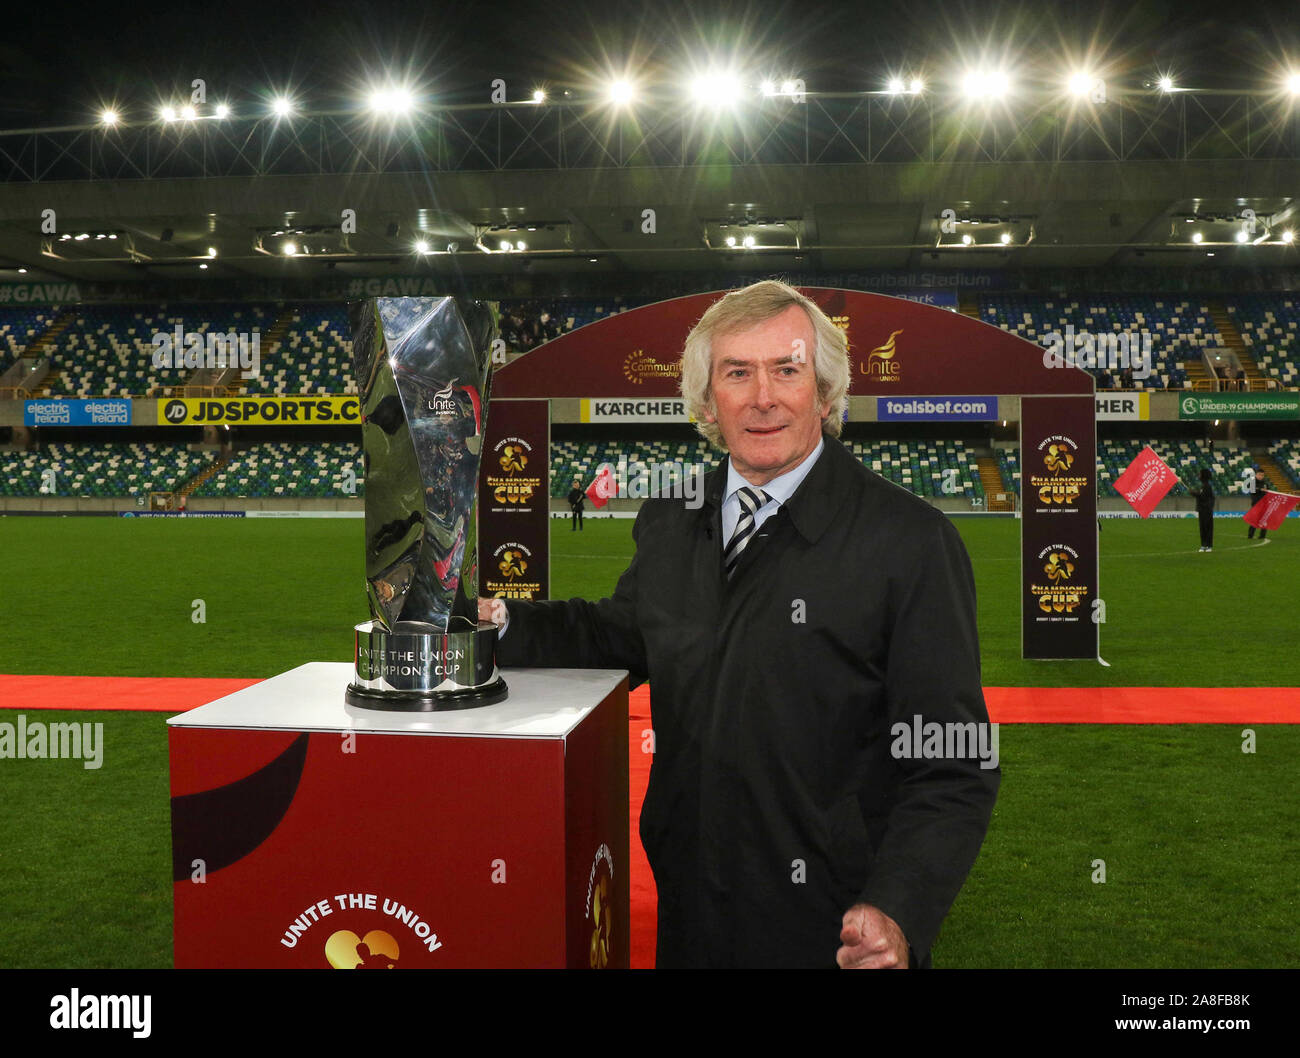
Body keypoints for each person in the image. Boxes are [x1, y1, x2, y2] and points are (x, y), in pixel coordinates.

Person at [479, 280, 999, 968]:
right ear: (706, 398)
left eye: (786, 370)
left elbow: (952, 759)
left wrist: (898, 906)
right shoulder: (672, 518)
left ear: (824, 391)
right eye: (737, 373)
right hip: (693, 902)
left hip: (833, 928)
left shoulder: (910, 540)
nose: (763, 397)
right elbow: (626, 633)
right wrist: (500, 623)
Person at [1191, 467, 1215, 551]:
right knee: (1202, 528)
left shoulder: (1207, 486)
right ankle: (1203, 545)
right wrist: (1194, 493)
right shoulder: (1203, 485)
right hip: (1202, 510)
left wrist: (1194, 493)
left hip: (1207, 510)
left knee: (1207, 528)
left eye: (1200, 474)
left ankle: (1209, 545)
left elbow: (1203, 496)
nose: (1199, 475)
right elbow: (1201, 495)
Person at [1247, 472, 1269, 542]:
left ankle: (1262, 535)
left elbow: (1268, 491)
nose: (1261, 476)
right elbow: (1250, 489)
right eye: (1259, 475)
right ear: (1256, 475)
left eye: (1262, 475)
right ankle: (1250, 535)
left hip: (1264, 504)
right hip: (1256, 504)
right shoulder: (1252, 482)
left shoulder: (1265, 483)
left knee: (1264, 520)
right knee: (1254, 520)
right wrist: (1260, 489)